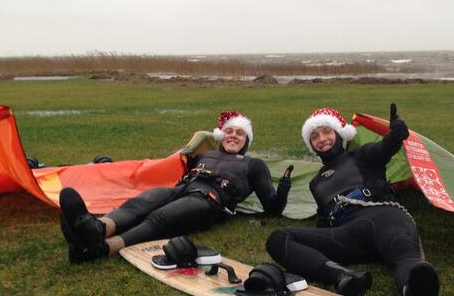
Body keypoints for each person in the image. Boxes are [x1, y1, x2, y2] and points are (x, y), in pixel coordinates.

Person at [265, 105, 440, 296]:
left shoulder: (361, 155)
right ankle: (344, 277)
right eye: (315, 136)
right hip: (349, 235)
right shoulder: (315, 183)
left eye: (327, 132)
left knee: (404, 253)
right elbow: (323, 222)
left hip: (385, 217)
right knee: (279, 238)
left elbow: (384, 148)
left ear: (341, 134)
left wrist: (395, 136)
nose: (322, 139)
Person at [60, 110, 293, 263]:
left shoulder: (254, 165)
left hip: (209, 202)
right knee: (142, 202)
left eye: (240, 133)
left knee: (160, 217)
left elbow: (272, 208)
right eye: (228, 132)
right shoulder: (206, 154)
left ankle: (101, 249)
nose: (233, 136)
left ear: (247, 140)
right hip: (180, 190)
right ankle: (96, 229)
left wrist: (283, 186)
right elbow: (183, 156)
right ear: (220, 136)